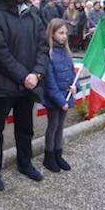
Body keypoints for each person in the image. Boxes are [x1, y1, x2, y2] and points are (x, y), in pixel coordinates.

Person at [0, 0, 49, 191]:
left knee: (25, 127)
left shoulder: (33, 14)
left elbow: (43, 47)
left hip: (29, 83)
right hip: (5, 85)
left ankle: (25, 163)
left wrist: (37, 74)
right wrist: (25, 76)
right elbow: (0, 54)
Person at [42, 19, 79, 172]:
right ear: (52, 34)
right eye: (61, 33)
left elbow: (71, 73)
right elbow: (49, 83)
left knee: (60, 127)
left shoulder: (66, 52)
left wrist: (76, 86)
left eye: (65, 33)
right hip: (55, 99)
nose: (64, 36)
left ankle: (58, 154)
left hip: (66, 96)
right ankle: (48, 157)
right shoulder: (49, 54)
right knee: (53, 126)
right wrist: (60, 100)